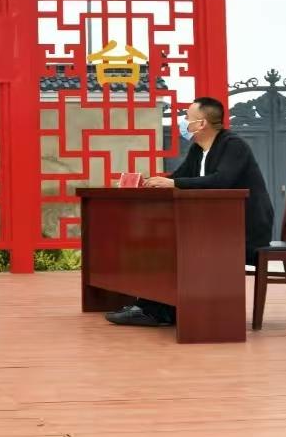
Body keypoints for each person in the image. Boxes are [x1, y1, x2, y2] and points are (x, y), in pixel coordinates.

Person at [105, 96, 275, 327]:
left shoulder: (233, 145)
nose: (183, 122)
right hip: (214, 227)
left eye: (187, 117)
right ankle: (157, 308)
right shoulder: (198, 149)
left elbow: (221, 181)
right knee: (159, 238)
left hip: (243, 230)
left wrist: (174, 183)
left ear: (202, 123)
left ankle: (156, 311)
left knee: (175, 242)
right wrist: (149, 182)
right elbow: (178, 178)